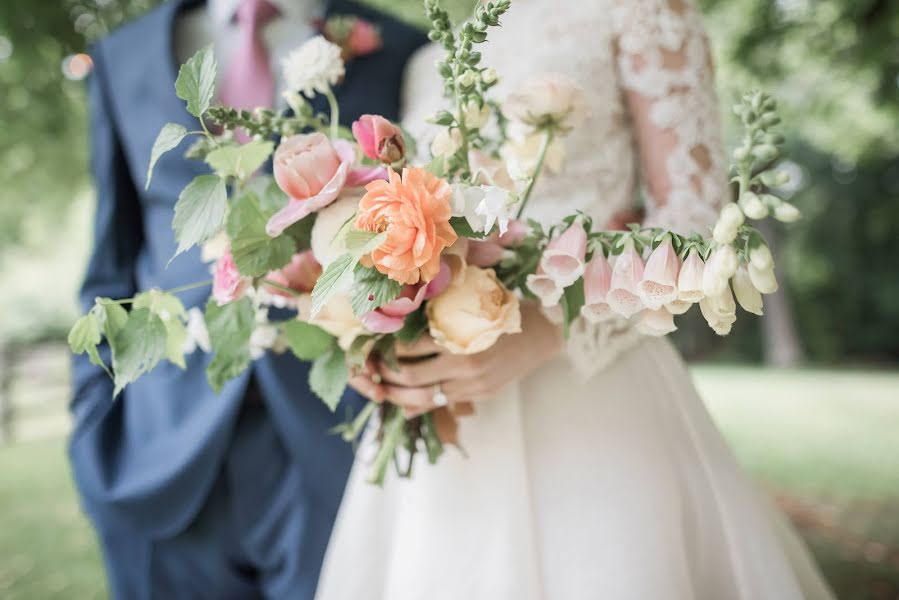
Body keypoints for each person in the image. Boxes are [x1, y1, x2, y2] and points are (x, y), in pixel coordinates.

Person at [316, 0, 836, 598]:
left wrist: (547, 329)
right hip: (448, 418)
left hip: (592, 389)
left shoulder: (643, 12)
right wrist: (381, 340)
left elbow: (698, 229)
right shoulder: (431, 59)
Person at [68, 0, 426, 598]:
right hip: (159, 452)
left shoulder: (400, 49)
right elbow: (109, 264)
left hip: (339, 446)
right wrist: (91, 435)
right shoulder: (122, 55)